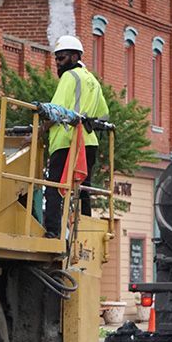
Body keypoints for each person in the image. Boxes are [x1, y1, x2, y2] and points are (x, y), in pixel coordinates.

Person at [43, 35, 110, 237]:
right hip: (88, 142)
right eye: (56, 58)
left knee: (54, 187)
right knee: (83, 190)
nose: (57, 63)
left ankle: (52, 232)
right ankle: (84, 232)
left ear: (74, 57)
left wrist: (39, 130)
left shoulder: (70, 77)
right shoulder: (93, 81)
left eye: (61, 58)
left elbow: (55, 111)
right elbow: (104, 113)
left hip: (67, 142)